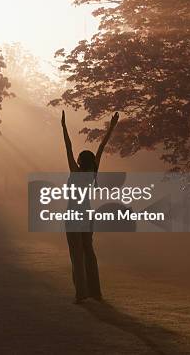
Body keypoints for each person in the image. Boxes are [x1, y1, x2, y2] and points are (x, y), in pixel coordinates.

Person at [61, 110, 119, 304]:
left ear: (79, 161)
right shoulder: (93, 172)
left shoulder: (75, 172)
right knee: (89, 252)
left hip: (73, 215)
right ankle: (96, 292)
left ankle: (81, 293)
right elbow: (101, 146)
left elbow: (68, 147)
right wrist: (112, 126)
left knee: (77, 255)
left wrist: (64, 126)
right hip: (87, 214)